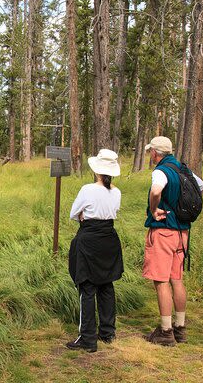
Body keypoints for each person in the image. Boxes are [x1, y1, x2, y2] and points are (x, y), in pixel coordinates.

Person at [143, 136, 203, 346]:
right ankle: (180, 328)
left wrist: (154, 209)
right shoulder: (183, 169)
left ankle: (165, 331)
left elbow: (155, 191)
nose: (150, 155)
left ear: (155, 152)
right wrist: (182, 205)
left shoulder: (161, 171)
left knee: (161, 281)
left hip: (163, 231)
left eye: (150, 151)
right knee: (176, 279)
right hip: (182, 233)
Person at [66, 149, 124, 353]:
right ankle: (107, 332)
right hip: (109, 238)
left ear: (97, 170)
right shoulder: (116, 192)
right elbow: (112, 213)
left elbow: (74, 214)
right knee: (106, 284)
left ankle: (88, 337)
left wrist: (85, 216)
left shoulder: (88, 190)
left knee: (87, 286)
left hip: (89, 237)